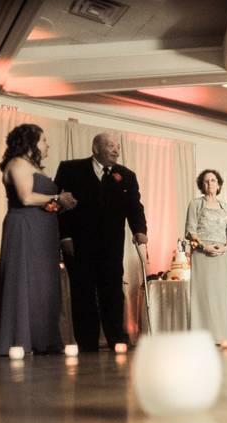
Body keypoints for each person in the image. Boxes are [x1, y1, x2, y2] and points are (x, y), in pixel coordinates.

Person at [55, 132, 148, 350]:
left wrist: (140, 230)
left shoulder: (126, 175)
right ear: (95, 148)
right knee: (83, 293)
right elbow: (59, 206)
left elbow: (135, 206)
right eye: (110, 146)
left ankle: (117, 339)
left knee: (113, 292)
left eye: (118, 146)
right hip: (78, 244)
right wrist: (65, 236)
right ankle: (87, 343)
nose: (116, 150)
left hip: (111, 246)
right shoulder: (70, 169)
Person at [0, 124, 76, 355]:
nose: (47, 145)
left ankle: (43, 338)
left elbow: (43, 203)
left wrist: (60, 205)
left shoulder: (32, 166)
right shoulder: (18, 164)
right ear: (29, 142)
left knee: (43, 283)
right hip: (25, 227)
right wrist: (56, 197)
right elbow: (25, 197)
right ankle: (23, 337)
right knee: (25, 279)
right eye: (43, 140)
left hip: (43, 230)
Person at [186, 169, 227, 346]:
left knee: (220, 295)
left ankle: (222, 335)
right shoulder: (195, 204)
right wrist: (204, 246)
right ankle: (201, 336)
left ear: (219, 184)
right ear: (202, 185)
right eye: (206, 181)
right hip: (202, 254)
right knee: (203, 294)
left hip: (222, 255)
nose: (210, 184)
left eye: (213, 180)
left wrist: (224, 248)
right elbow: (190, 230)